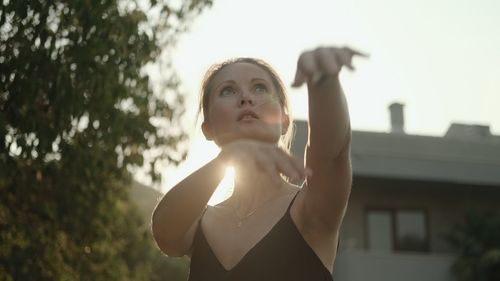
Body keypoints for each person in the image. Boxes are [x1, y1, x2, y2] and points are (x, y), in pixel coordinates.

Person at [152, 46, 366, 281]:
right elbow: (165, 232)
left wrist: (323, 80)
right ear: (208, 129)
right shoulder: (197, 222)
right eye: (228, 91)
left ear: (284, 121)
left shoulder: (310, 209)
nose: (246, 98)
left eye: (259, 88)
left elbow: (331, 156)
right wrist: (225, 159)